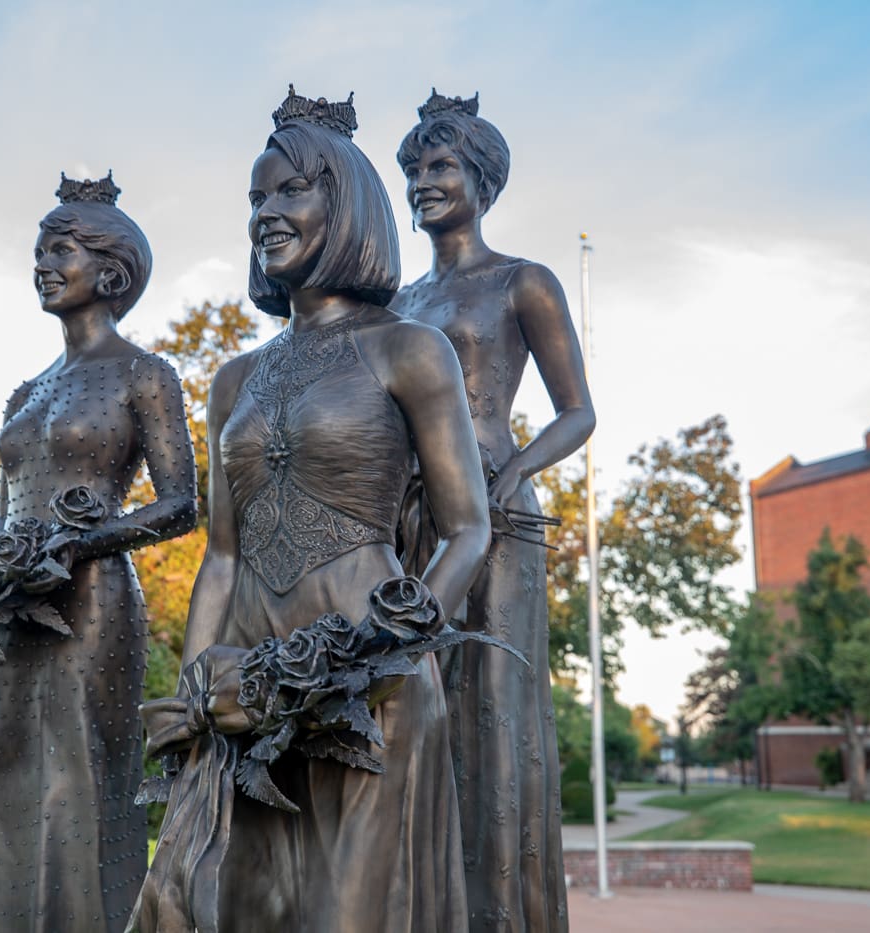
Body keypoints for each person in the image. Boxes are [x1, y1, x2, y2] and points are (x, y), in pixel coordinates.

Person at [130, 88, 491, 933]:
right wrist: (195, 694)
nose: (266, 213)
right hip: (246, 688)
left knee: (350, 915)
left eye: (290, 191)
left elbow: (468, 529)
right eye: (256, 198)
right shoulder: (231, 380)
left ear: (349, 202)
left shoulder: (410, 348)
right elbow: (221, 554)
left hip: (374, 681)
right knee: (243, 909)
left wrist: (379, 648)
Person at [0, 172, 197, 931]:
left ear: (111, 271)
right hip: (13, 612)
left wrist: (78, 544)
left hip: (91, 605)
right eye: (39, 249)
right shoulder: (25, 391)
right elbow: (8, 507)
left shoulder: (145, 375)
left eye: (59, 248)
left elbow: (181, 505)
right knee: (3, 782)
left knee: (77, 785)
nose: (42, 262)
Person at [391, 90, 596, 933]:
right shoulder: (397, 302)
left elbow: (578, 410)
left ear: (481, 177)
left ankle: (501, 915)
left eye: (439, 167)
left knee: (492, 711)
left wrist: (515, 473)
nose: (422, 184)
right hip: (409, 522)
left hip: (500, 520)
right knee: (414, 700)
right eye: (412, 171)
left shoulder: (524, 282)